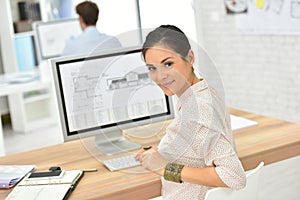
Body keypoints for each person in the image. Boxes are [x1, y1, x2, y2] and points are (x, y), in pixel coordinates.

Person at [135, 25, 246, 200]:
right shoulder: (203, 91)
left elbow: (233, 176)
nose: (160, 76)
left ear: (190, 57)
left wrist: (164, 168)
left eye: (168, 64)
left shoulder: (198, 109)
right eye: (152, 68)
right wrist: (165, 153)